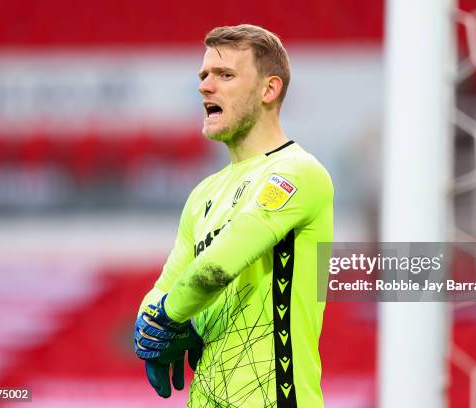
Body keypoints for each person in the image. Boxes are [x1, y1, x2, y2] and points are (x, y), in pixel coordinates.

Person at [134, 24, 333, 407]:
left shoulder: (297, 173)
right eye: (204, 76)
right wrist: (149, 328)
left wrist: (166, 319)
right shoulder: (203, 194)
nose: (205, 86)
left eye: (224, 75)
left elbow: (218, 266)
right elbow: (165, 285)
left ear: (268, 90)